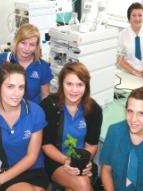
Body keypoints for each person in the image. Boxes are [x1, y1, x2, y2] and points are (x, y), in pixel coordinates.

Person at [0, 62, 49, 191]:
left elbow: (32, 156)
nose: (17, 93)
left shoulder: (36, 112)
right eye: (10, 87)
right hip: (3, 171)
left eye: (21, 87)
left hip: (33, 169)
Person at [40, 62, 103, 191]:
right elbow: (46, 145)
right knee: (82, 184)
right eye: (69, 84)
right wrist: (67, 161)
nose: (74, 90)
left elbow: (91, 145)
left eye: (79, 84)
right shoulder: (48, 106)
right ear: (62, 84)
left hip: (82, 162)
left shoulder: (94, 110)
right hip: (56, 161)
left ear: (86, 86)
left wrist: (83, 163)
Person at [0, 23, 53, 104]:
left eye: (32, 44)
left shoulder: (42, 67)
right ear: (16, 41)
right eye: (23, 43)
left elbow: (45, 96)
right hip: (7, 112)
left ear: (36, 46)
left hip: (32, 113)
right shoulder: (1, 60)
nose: (27, 48)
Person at [117, 2, 143, 77]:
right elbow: (119, 58)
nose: (137, 18)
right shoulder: (122, 35)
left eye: (140, 15)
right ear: (129, 18)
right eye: (134, 15)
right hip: (128, 73)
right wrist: (134, 72)